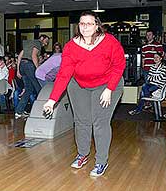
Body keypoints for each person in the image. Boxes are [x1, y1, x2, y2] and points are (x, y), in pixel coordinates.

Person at [43, 11, 126, 177]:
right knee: (81, 121)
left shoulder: (109, 42)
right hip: (79, 85)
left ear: (97, 25)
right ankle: (82, 154)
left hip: (108, 84)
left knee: (100, 122)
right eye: (82, 24)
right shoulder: (71, 46)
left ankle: (101, 161)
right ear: (78, 26)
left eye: (89, 23)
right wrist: (52, 100)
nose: (85, 27)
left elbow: (119, 65)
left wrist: (109, 89)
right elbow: (64, 74)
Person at [15, 34, 50, 119]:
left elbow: (20, 56)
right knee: (38, 88)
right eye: (46, 41)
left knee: (28, 89)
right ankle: (43, 111)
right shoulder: (37, 43)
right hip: (29, 66)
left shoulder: (29, 43)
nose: (46, 44)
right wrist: (38, 69)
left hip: (23, 65)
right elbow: (34, 56)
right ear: (42, 38)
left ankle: (18, 112)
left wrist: (18, 70)